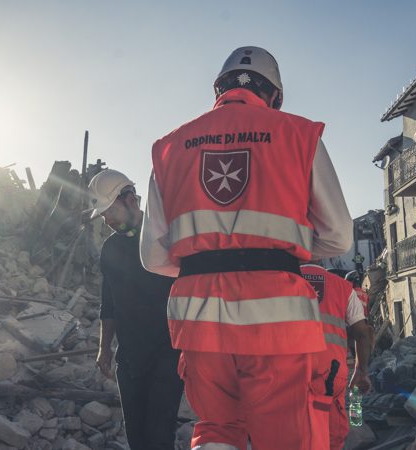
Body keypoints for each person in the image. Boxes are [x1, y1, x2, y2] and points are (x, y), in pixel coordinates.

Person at [140, 46, 353, 450]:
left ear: (218, 89)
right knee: (286, 437)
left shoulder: (169, 147)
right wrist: (281, 251)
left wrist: (206, 262)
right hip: (278, 322)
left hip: (199, 319)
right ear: (275, 97)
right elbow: (339, 236)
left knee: (218, 429)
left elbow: (152, 257)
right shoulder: (298, 134)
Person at [88, 169, 184, 450]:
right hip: (129, 359)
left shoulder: (166, 240)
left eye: (110, 211)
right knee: (137, 440)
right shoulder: (111, 248)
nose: (107, 219)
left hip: (168, 356)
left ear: (130, 199)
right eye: (103, 214)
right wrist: (104, 348)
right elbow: (109, 301)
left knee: (159, 437)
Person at [301, 264, 374, 450]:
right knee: (332, 436)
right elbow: (363, 333)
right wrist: (360, 371)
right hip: (331, 373)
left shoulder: (279, 281)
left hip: (290, 374)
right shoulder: (343, 288)